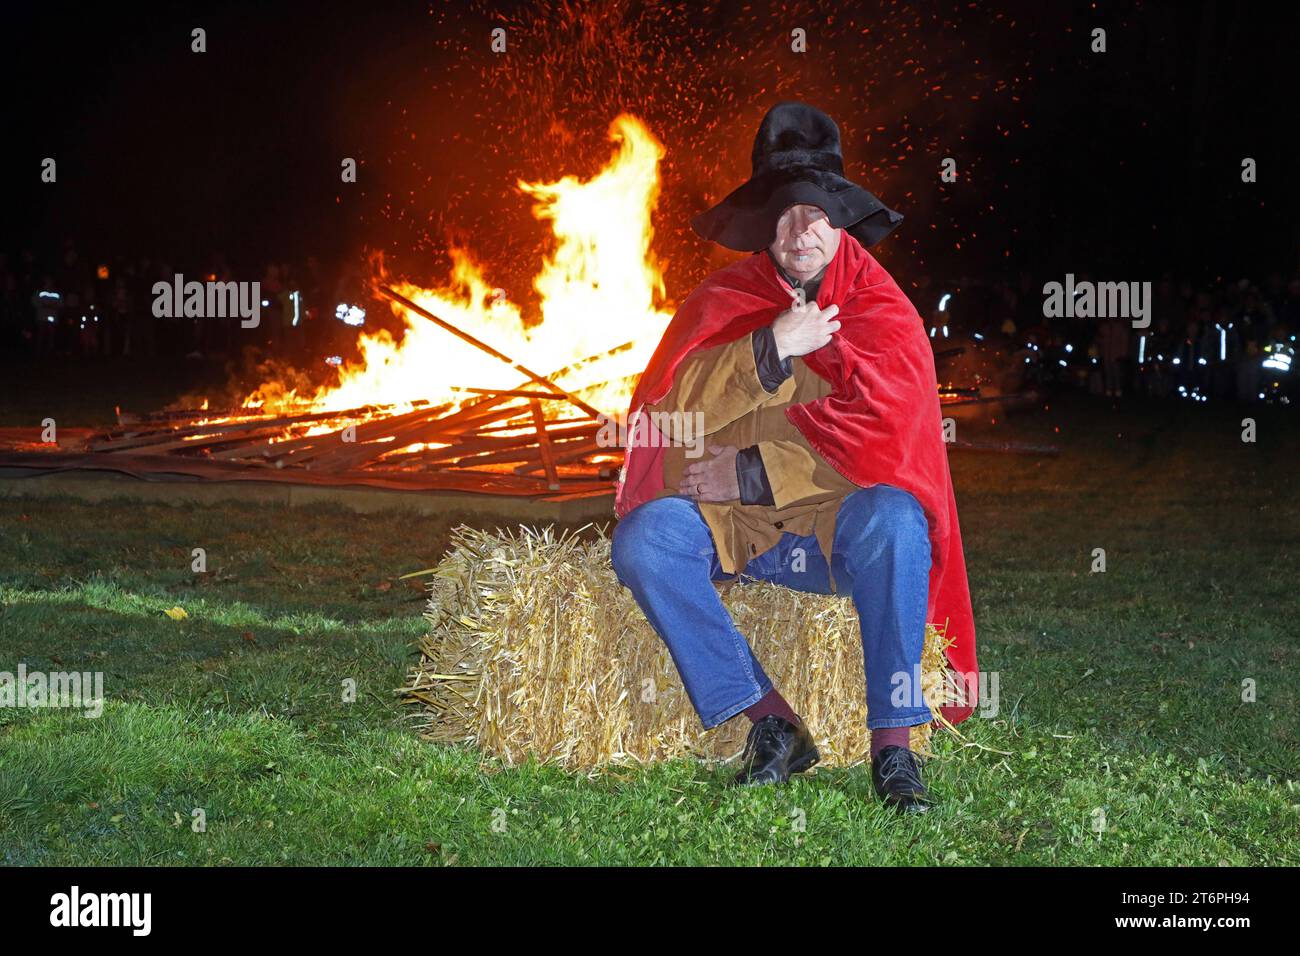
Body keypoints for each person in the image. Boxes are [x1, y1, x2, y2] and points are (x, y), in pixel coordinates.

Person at [611, 102, 978, 812]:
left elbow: (886, 434)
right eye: (782, 216)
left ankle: (894, 750)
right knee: (645, 544)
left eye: (814, 213)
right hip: (741, 534)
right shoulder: (727, 298)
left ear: (839, 219)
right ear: (763, 228)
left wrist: (750, 467)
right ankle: (771, 720)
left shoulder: (882, 308)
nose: (799, 231)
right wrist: (771, 346)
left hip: (840, 536)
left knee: (898, 517)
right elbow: (672, 405)